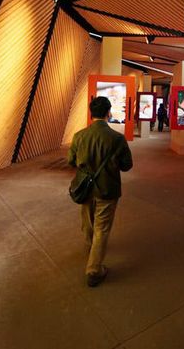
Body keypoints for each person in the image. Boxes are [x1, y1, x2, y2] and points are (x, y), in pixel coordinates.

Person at [67, 96, 133, 287]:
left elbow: (71, 161)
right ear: (108, 112)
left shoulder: (79, 136)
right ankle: (94, 269)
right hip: (107, 189)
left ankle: (91, 250)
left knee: (88, 223)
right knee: (102, 228)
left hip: (85, 188)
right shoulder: (117, 138)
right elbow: (127, 165)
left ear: (91, 113)